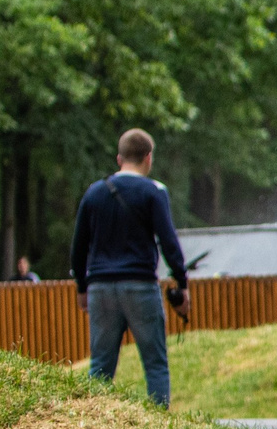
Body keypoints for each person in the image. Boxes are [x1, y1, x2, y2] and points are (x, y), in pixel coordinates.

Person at [71, 128, 193, 408]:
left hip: (101, 287)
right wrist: (182, 283)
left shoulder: (94, 193)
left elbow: (78, 246)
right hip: (140, 285)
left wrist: (81, 286)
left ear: (119, 158)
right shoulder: (153, 192)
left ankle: (93, 422)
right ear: (148, 158)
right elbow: (168, 242)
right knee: (155, 364)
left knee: (100, 365)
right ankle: (158, 424)